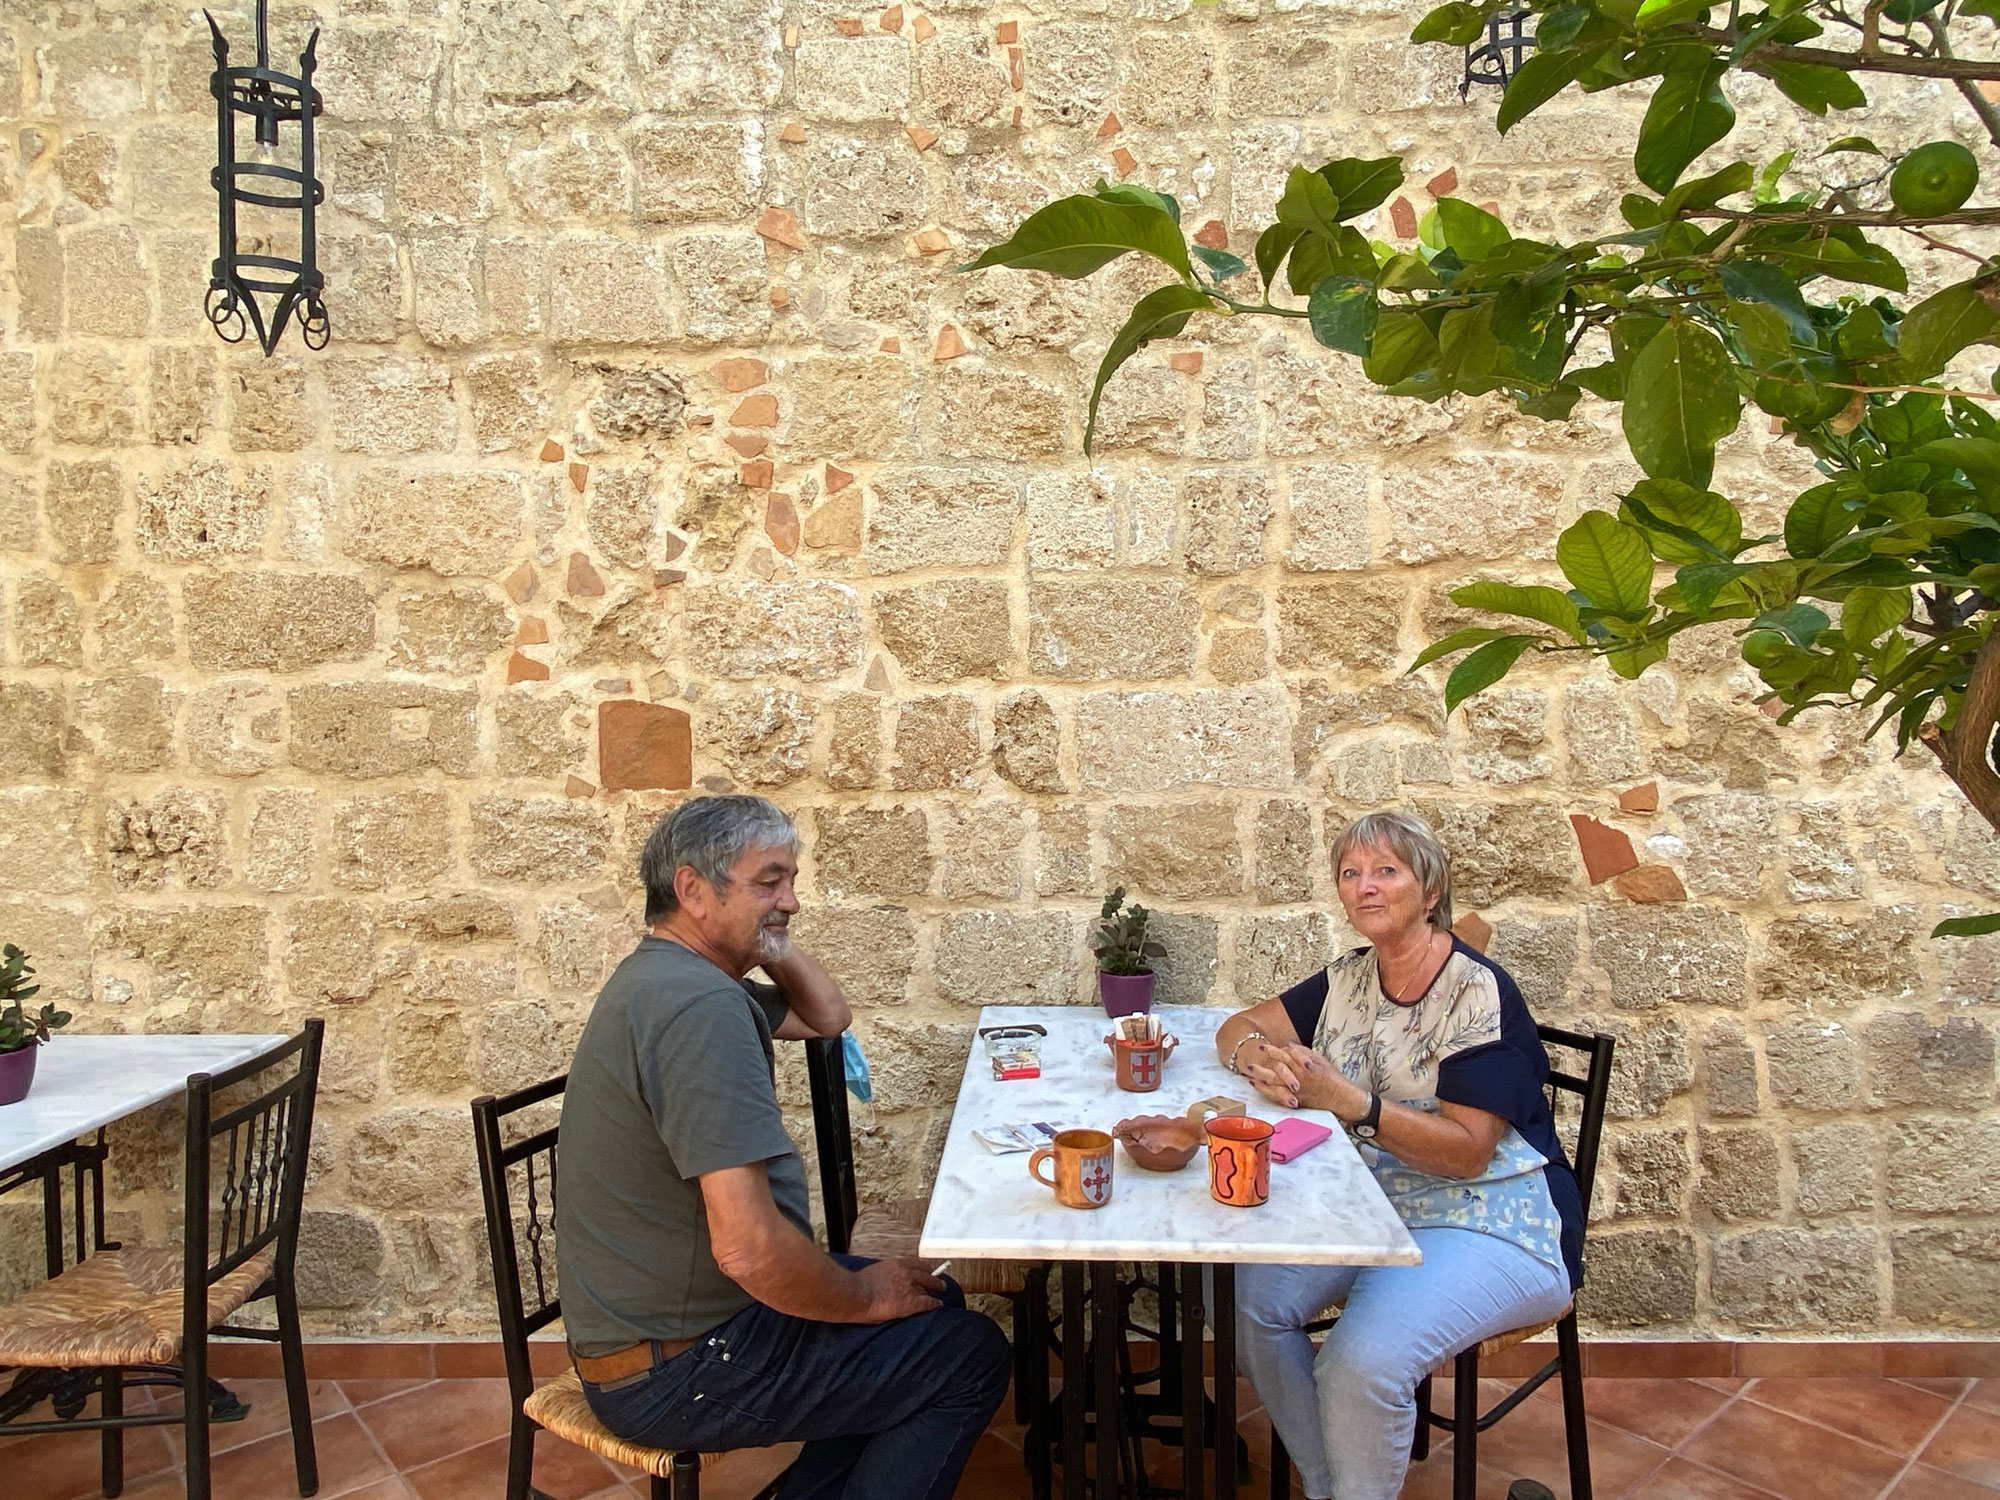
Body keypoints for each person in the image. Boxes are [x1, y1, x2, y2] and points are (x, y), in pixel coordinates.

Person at [555, 794, 1010, 1500]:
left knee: (935, 1301)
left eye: (791, 882)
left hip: (668, 1334)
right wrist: (861, 1297)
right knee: (966, 1356)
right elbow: (747, 1249)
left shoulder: (672, 977)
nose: (792, 900)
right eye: (769, 881)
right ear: (692, 890)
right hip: (679, 1368)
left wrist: (766, 930)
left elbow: (827, 1016)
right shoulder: (698, 1009)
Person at [1212, 809, 1582, 1500]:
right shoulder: (1349, 978)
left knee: (1361, 1363)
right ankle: (1329, 1482)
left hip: (1491, 1219)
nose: (1365, 888)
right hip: (1375, 1206)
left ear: (1430, 890)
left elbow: (1471, 1153)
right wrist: (1255, 1056)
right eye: (1351, 874)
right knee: (1238, 1297)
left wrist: (1352, 1102)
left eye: (1386, 871)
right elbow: (1236, 1025)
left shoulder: (1476, 991)